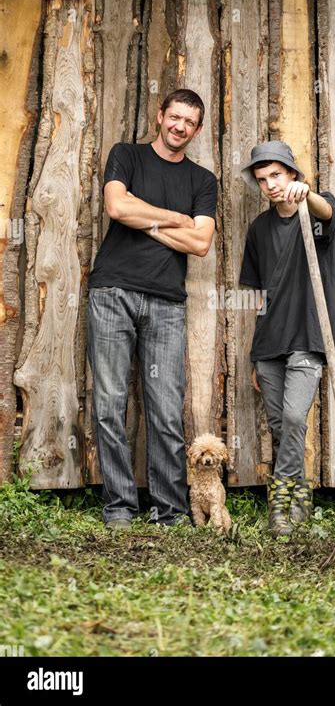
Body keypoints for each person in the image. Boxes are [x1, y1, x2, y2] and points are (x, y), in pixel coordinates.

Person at [87, 89, 217, 531]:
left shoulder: (202, 181)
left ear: (197, 130)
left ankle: (170, 510)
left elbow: (201, 243)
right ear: (160, 115)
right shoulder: (127, 155)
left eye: (190, 122)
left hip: (166, 302)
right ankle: (120, 506)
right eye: (174, 117)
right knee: (109, 403)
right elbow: (116, 205)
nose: (180, 127)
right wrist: (176, 219)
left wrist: (149, 220)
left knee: (165, 409)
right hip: (112, 293)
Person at [239, 141, 335, 536]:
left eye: (276, 175)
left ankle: (279, 502)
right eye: (262, 179)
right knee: (282, 427)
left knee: (296, 417)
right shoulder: (259, 229)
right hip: (269, 344)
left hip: (308, 337)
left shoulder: (315, 211)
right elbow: (262, 296)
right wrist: (254, 356)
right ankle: (300, 495)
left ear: (292, 174)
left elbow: (328, 211)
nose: (270, 185)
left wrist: (308, 195)